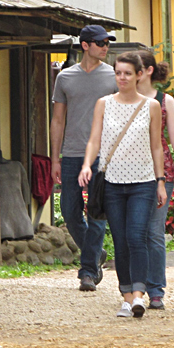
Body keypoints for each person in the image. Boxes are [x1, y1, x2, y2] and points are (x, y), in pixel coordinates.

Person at [79, 52, 167, 318]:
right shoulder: (103, 104)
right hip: (113, 183)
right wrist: (86, 165)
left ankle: (140, 294)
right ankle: (126, 296)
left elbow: (157, 147)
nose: (122, 78)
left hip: (143, 181)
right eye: (118, 73)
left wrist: (161, 182)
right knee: (120, 240)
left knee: (137, 236)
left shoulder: (151, 106)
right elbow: (94, 139)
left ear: (140, 75)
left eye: (128, 73)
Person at [50, 25, 117, 292]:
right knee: (69, 210)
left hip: (103, 155)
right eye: (101, 42)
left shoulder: (113, 77)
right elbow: (57, 120)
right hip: (72, 154)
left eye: (108, 43)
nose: (106, 47)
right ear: (85, 45)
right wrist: (55, 158)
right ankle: (95, 251)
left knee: (97, 212)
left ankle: (88, 271)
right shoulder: (65, 78)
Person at [135, 50, 174, 310]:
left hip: (162, 172)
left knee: (154, 231)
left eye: (133, 69)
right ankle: (135, 287)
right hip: (130, 171)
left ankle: (156, 289)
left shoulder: (164, 100)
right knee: (133, 231)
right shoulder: (122, 98)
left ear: (147, 71)